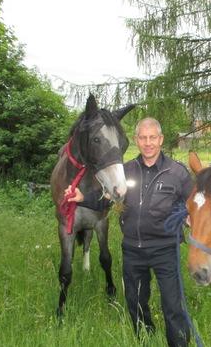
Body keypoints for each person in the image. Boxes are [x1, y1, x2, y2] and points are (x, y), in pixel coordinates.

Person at [66, 117, 193, 347]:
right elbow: (107, 198)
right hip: (133, 249)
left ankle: (180, 343)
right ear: (136, 140)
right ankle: (146, 339)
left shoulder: (178, 173)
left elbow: (194, 204)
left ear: (160, 139)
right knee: (135, 303)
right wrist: (83, 198)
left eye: (152, 137)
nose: (148, 143)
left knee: (173, 306)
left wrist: (191, 217)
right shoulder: (126, 171)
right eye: (143, 138)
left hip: (165, 249)